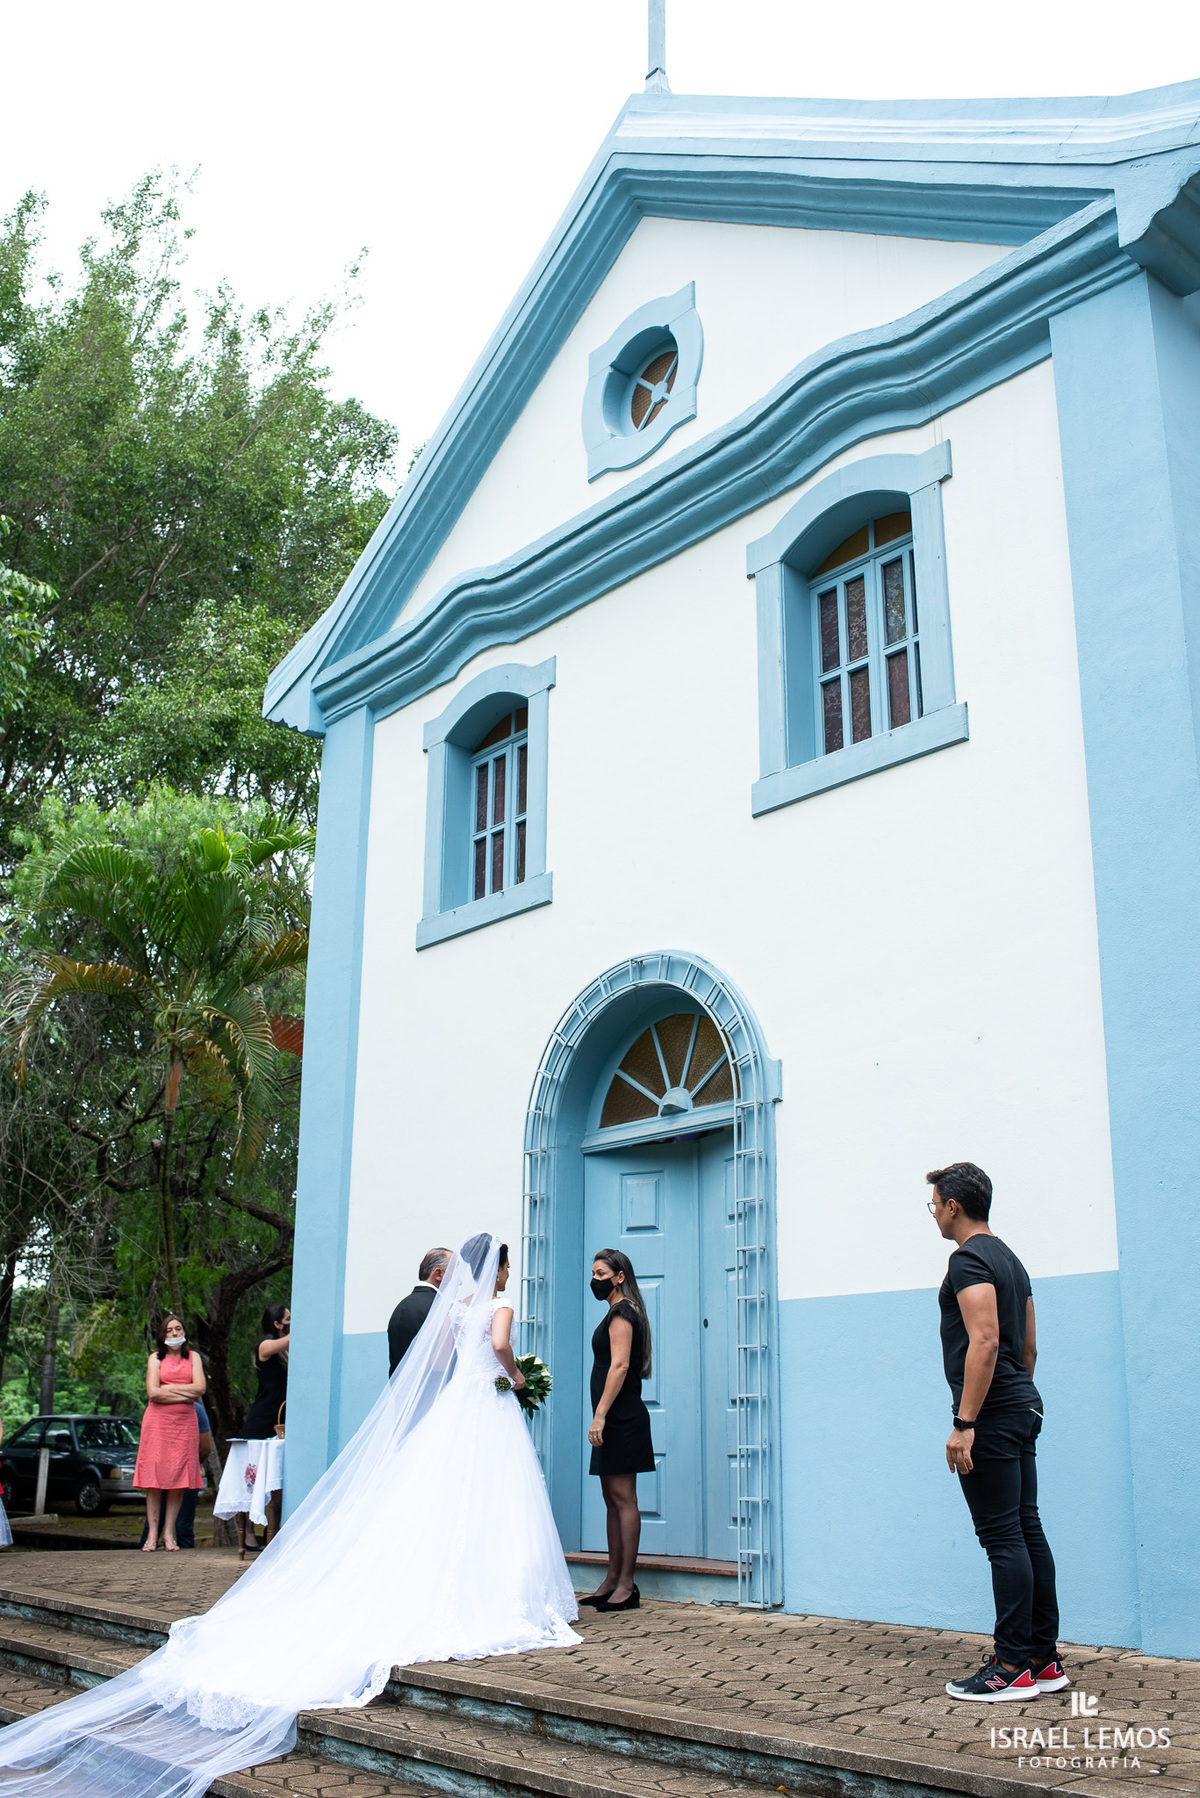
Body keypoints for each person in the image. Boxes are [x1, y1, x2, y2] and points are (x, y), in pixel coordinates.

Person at [0, 1233, 578, 1796]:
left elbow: (438, 1366)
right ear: (490, 1269)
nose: (506, 1274)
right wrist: (517, 1377)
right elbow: (496, 1351)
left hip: (456, 1408)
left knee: (455, 1499)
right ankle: (491, 1586)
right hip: (481, 1405)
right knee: (483, 1496)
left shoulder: (445, 1312)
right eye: (503, 1265)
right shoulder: (494, 1307)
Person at [927, 1161, 1067, 1702]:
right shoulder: (1011, 1259)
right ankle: (1041, 1659)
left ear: (953, 1206)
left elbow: (984, 1341)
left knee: (1002, 1536)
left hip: (991, 1413)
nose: (933, 1214)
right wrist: (1014, 1401)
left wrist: (967, 1423)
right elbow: (1027, 1346)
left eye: (934, 1204)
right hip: (1020, 1406)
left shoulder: (967, 1259)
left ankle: (1009, 1665)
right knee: (1025, 1527)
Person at [581, 1248, 656, 1613]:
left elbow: (621, 1365)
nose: (595, 1280)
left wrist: (600, 1415)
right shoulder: (612, 1312)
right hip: (612, 1419)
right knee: (611, 1499)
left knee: (624, 1499)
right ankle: (611, 1579)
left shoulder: (623, 1312)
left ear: (619, 1276)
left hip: (622, 1419)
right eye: (593, 1274)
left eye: (600, 1274)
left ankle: (627, 1584)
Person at [133, 1313, 205, 1551]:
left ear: (184, 1333)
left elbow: (200, 1389)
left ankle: (168, 1534)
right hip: (157, 1424)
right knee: (154, 1479)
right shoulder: (155, 1358)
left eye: (178, 1329)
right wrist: (185, 1391)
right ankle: (152, 1535)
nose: (174, 1333)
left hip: (185, 1424)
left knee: (177, 1479)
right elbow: (153, 1393)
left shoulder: (193, 1358)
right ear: (162, 1335)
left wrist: (169, 1388)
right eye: (169, 1330)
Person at [140, 1402, 212, 1549]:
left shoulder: (196, 1409)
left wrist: (188, 1466)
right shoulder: (156, 1408)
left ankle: (184, 1559)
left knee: (184, 1527)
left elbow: (205, 1446)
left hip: (184, 1471)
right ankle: (150, 1544)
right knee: (152, 1525)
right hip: (159, 1473)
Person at [387, 1248, 452, 1374]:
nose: (459, 1282)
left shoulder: (401, 1307)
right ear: (438, 1274)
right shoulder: (441, 1309)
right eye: (455, 1275)